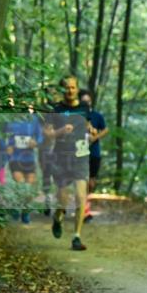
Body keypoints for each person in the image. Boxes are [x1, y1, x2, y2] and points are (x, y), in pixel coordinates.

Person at [43, 75, 92, 251]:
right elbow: (47, 134)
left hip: (80, 156)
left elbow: (87, 125)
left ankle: (76, 237)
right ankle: (58, 217)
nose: (70, 91)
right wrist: (61, 131)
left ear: (77, 89)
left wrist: (91, 130)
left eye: (73, 87)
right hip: (61, 157)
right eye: (66, 88)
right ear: (62, 90)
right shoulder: (55, 110)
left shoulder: (85, 107)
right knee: (63, 199)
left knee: (80, 197)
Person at [3, 110, 44, 223]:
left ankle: (25, 212)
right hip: (15, 157)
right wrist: (7, 146)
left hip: (29, 157)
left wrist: (35, 142)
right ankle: (16, 208)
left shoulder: (34, 119)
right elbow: (1, 135)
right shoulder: (9, 118)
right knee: (20, 184)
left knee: (29, 189)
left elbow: (40, 137)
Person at [80, 89, 108, 222]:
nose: (86, 103)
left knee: (90, 183)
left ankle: (84, 207)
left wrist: (95, 137)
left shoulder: (97, 116)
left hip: (94, 153)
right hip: (79, 153)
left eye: (88, 101)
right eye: (83, 101)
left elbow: (106, 129)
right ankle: (84, 211)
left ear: (91, 101)